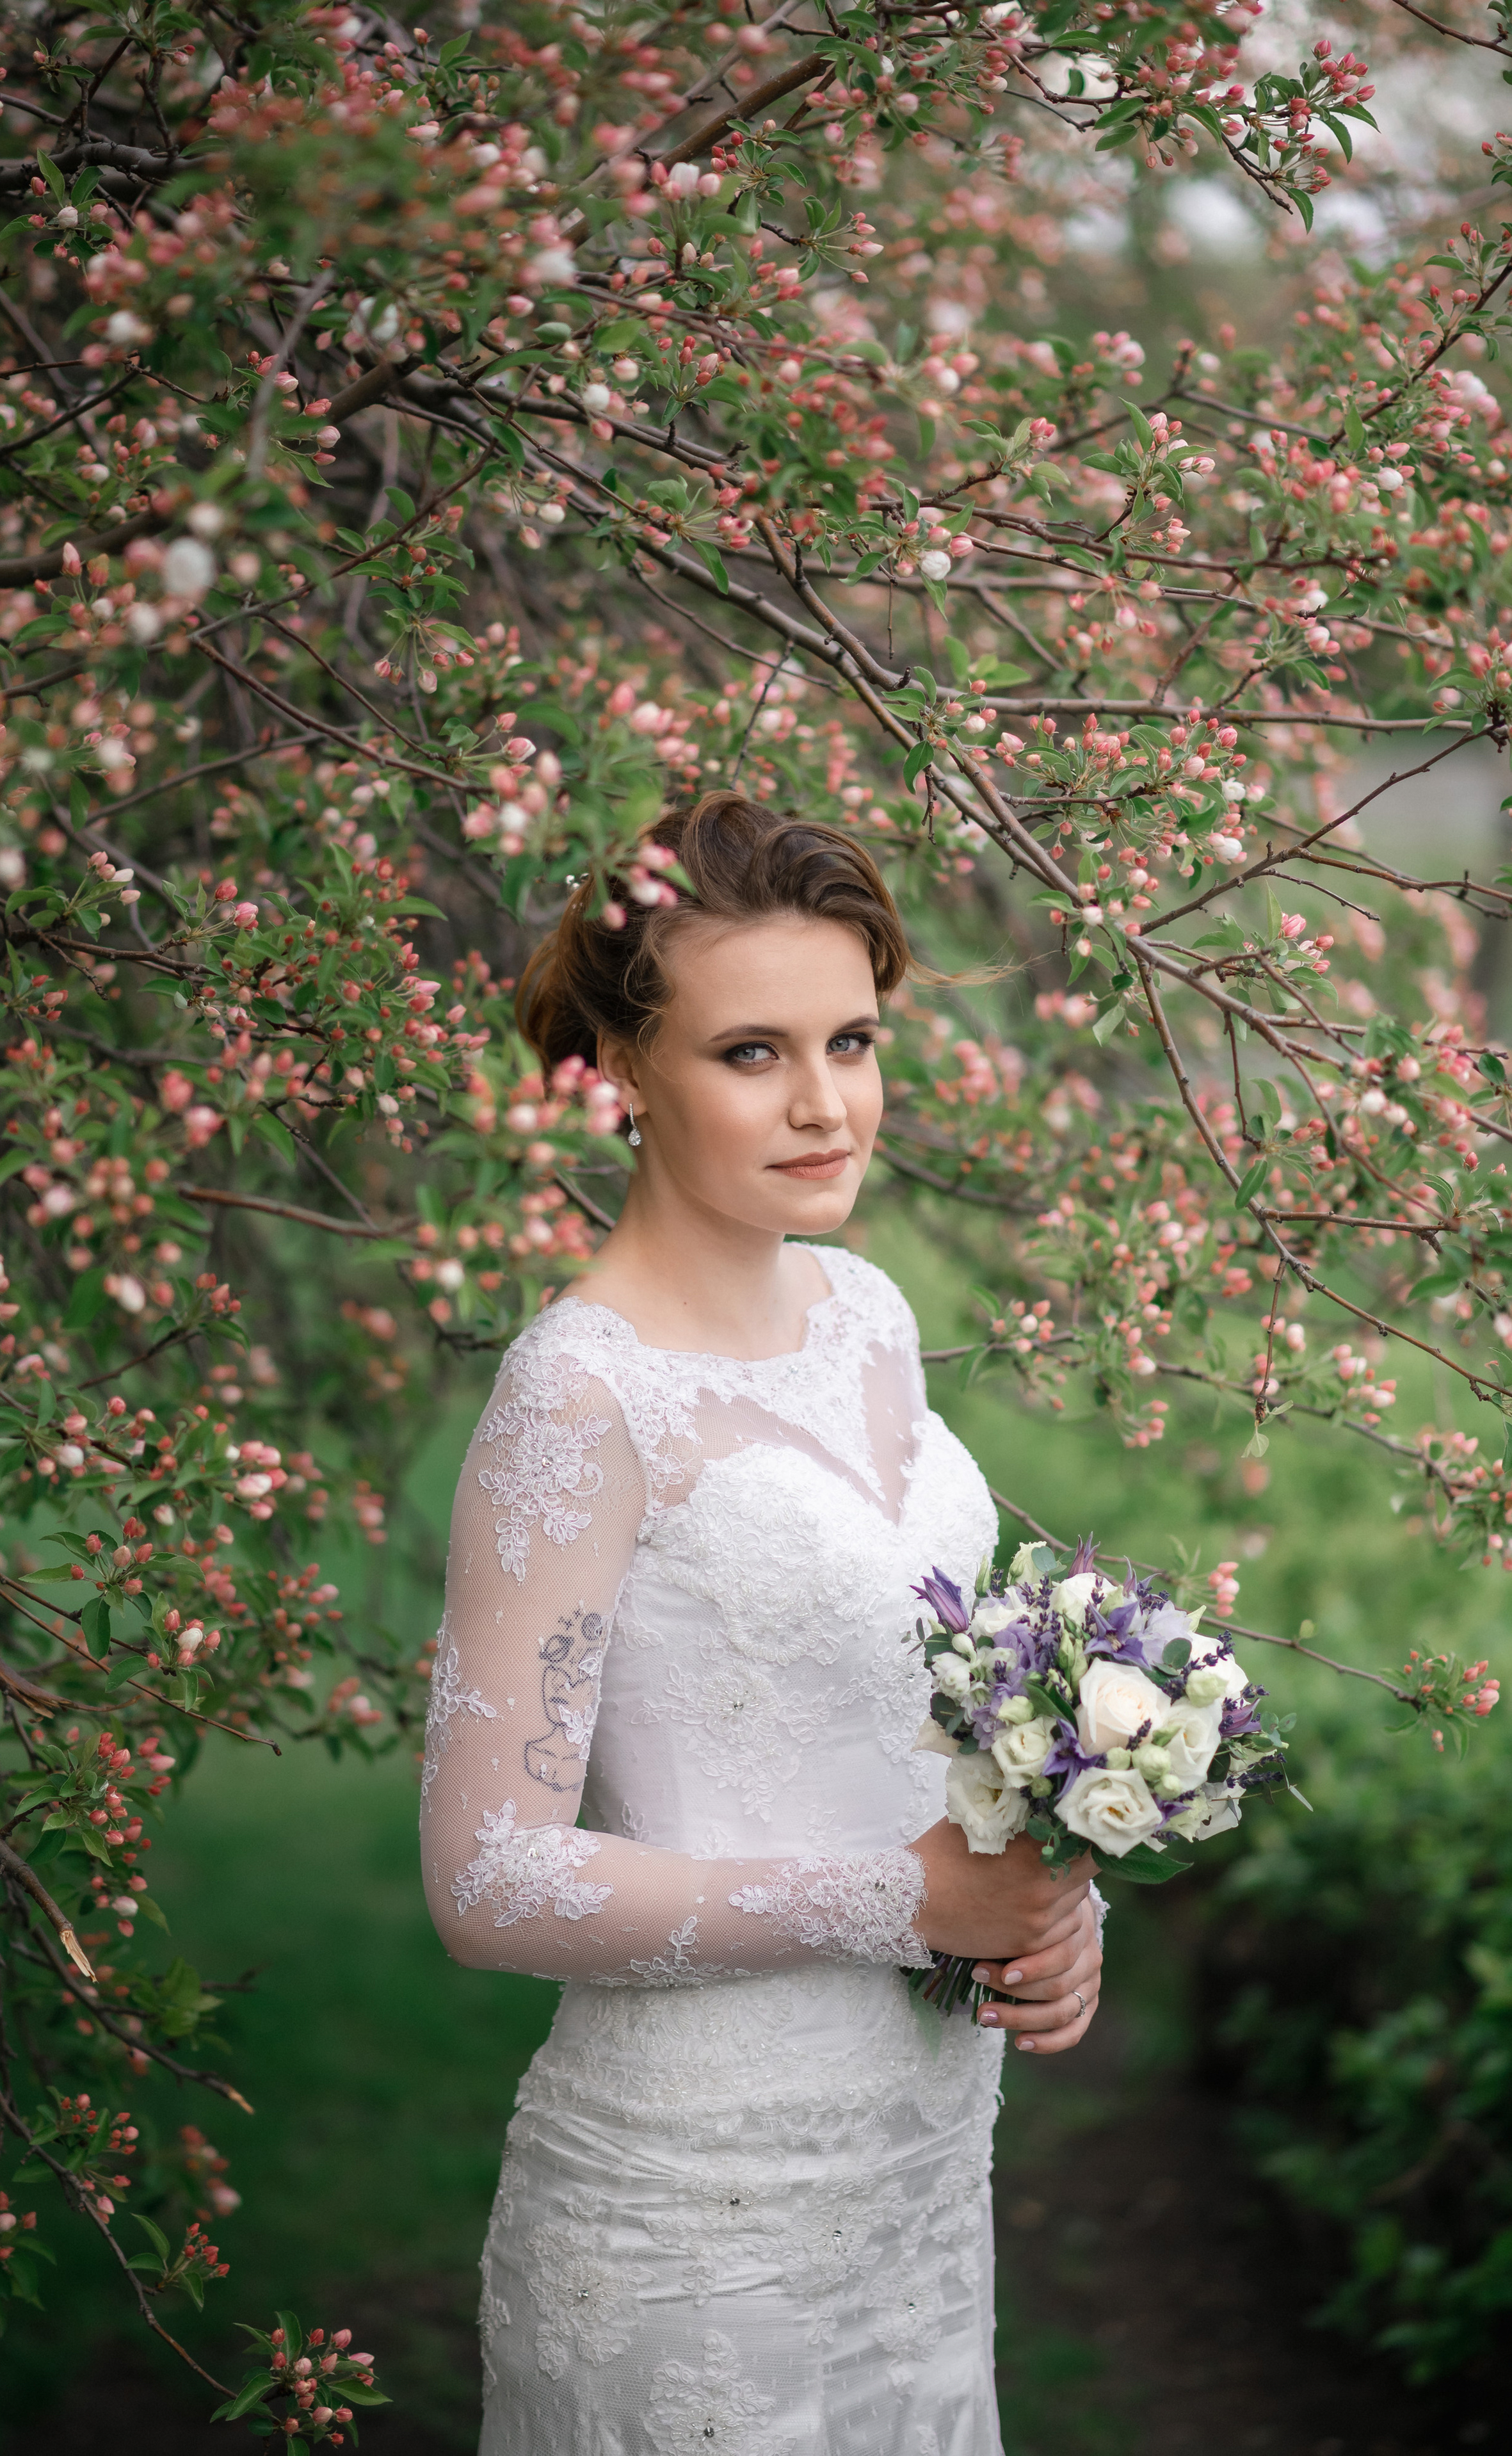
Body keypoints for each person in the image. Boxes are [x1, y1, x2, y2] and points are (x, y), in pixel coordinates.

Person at [419, 794, 1102, 2455]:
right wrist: (905, 1897)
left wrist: (1045, 1899)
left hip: (925, 2178)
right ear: (622, 1072)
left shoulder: (866, 1315)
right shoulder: (577, 1398)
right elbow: (487, 1874)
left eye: (852, 1037)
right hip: (694, 2219)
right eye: (752, 1052)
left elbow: (903, 1705)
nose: (826, 1103)